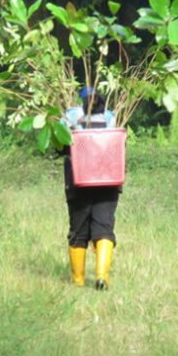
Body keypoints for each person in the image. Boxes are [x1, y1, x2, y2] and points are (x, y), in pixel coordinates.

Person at [62, 86, 119, 290]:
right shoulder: (111, 118)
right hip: (108, 182)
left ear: (82, 101)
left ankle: (78, 281)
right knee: (104, 227)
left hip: (79, 182)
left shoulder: (70, 118)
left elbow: (60, 145)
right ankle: (101, 277)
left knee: (78, 230)